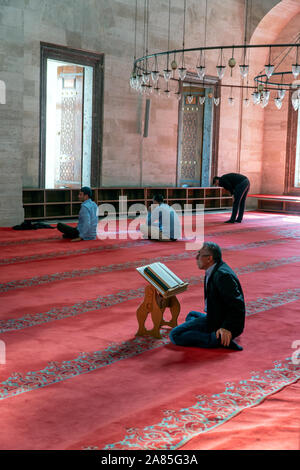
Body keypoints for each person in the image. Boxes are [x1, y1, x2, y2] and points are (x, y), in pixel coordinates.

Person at [169, 242, 245, 351]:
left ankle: (216, 339)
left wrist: (226, 328)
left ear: (209, 258)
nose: (196, 258)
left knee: (175, 335)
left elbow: (237, 305)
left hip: (225, 323)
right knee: (192, 315)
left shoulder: (222, 275)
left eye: (199, 255)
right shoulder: (214, 269)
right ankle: (213, 333)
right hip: (215, 316)